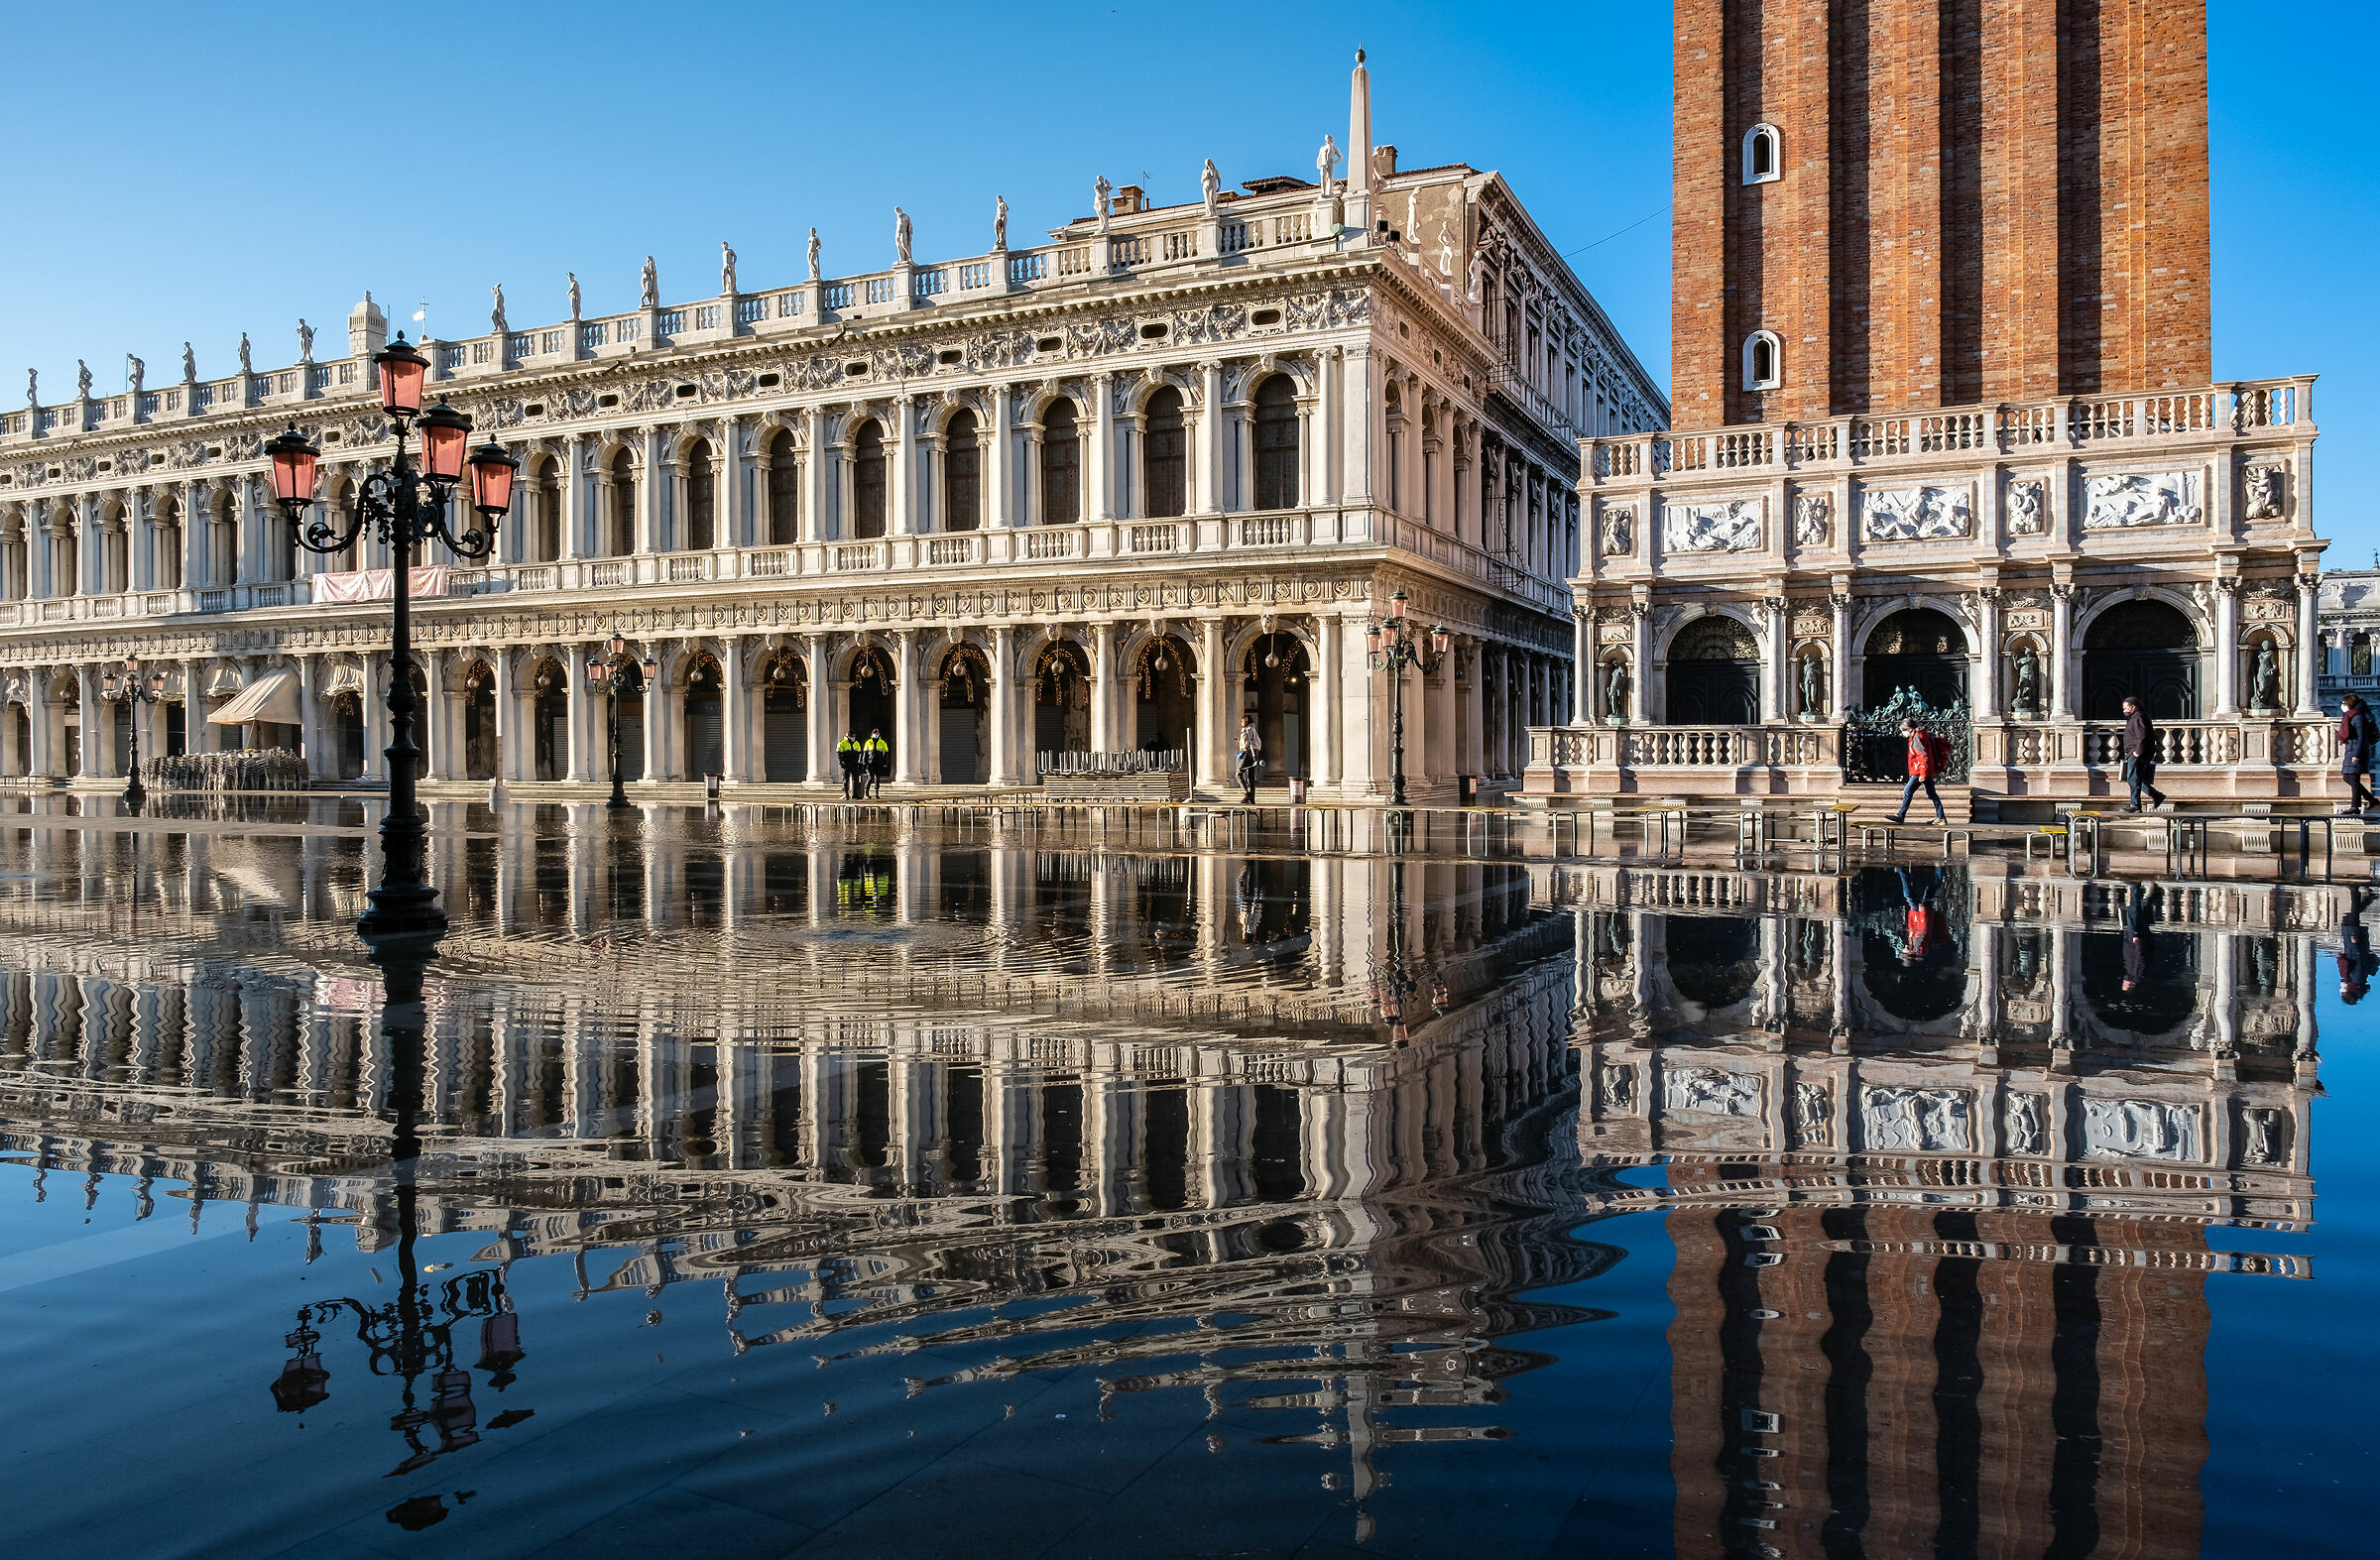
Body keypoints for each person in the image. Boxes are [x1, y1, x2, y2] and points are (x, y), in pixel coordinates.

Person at [1887, 718, 1948, 824]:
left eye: (1904, 730)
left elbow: (1923, 756)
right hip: (1924, 770)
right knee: (1932, 794)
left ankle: (1901, 815)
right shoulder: (1922, 735)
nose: (1903, 733)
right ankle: (1941, 817)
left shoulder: (1916, 738)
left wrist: (1922, 774)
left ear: (1909, 729)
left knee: (1908, 791)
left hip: (1919, 771)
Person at [2119, 694, 2168, 812]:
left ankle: (2136, 805)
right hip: (2134, 752)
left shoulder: (2138, 717)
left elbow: (2142, 736)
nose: (2124, 710)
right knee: (2136, 778)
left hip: (2136, 753)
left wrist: (2137, 752)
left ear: (2133, 707)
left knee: (2132, 779)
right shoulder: (2136, 717)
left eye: (2126, 708)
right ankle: (2155, 797)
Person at [2337, 692, 2379, 816]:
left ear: (2349, 703)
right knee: (2347, 777)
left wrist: (2357, 754)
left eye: (2344, 703)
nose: (2342, 705)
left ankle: (2355, 806)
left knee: (2354, 778)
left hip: (2357, 751)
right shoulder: (2351, 716)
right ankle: (2371, 799)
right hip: (2352, 749)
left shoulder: (2358, 717)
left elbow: (2362, 738)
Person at [1235, 717, 1262, 804]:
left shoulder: (1247, 730)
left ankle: (1246, 793)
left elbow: (1246, 743)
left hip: (1248, 753)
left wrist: (1241, 743)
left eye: (1242, 721)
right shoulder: (1253, 729)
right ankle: (1252, 798)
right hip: (1255, 753)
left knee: (1238, 774)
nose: (1241, 723)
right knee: (1251, 776)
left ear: (1246, 721)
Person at [864, 728, 890, 797]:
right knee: (870, 777)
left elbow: (886, 754)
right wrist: (864, 762)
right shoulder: (868, 742)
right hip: (870, 763)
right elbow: (865, 753)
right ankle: (866, 793)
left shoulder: (883, 743)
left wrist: (885, 763)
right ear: (871, 735)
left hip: (879, 763)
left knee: (877, 778)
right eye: (875, 734)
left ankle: (876, 793)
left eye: (877, 734)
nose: (876, 735)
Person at [835, 731, 861, 798]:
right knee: (846, 779)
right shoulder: (842, 743)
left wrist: (858, 762)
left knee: (856, 779)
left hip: (854, 764)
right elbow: (839, 754)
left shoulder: (856, 743)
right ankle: (846, 793)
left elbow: (859, 753)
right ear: (848, 736)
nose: (853, 738)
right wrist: (841, 762)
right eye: (852, 736)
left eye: (854, 736)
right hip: (846, 764)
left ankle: (855, 794)